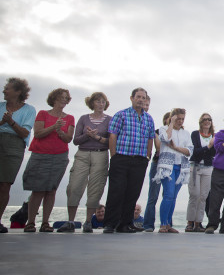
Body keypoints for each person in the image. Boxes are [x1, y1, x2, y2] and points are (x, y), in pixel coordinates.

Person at [102, 88, 155, 234]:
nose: (141, 100)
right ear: (131, 98)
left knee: (133, 193)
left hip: (139, 160)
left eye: (143, 98)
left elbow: (150, 138)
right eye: (138, 97)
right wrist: (114, 156)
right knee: (116, 191)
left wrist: (147, 156)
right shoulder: (121, 115)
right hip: (121, 158)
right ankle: (110, 224)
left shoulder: (148, 118)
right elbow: (112, 135)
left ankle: (125, 224)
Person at [22, 88, 74, 232]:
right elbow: (38, 134)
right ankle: (30, 222)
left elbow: (68, 138)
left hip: (60, 156)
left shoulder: (69, 117)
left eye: (66, 98)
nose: (64, 100)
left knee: (51, 190)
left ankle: (45, 223)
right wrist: (53, 127)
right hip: (41, 155)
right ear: (55, 98)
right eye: (62, 97)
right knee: (38, 190)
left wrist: (59, 131)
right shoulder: (43, 114)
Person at [60, 92, 111, 233]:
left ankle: (88, 221)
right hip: (83, 153)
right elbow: (76, 140)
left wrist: (97, 137)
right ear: (92, 103)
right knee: (74, 186)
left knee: (95, 189)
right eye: (98, 101)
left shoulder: (110, 120)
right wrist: (87, 135)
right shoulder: (83, 119)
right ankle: (70, 221)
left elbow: (111, 142)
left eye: (103, 102)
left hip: (100, 155)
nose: (101, 104)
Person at [0, 77, 36, 233]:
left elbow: (24, 132)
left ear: (18, 91)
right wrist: (3, 122)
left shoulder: (29, 110)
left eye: (7, 88)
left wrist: (11, 122)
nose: (4, 90)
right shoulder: (1, 106)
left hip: (14, 146)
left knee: (4, 184)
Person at [153, 108, 192, 233]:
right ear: (172, 117)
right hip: (167, 167)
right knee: (168, 194)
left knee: (173, 196)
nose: (180, 121)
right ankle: (163, 224)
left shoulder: (186, 133)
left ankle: (168, 224)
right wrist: (171, 123)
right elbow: (166, 139)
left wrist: (176, 148)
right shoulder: (163, 129)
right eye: (178, 118)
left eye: (182, 119)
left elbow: (189, 151)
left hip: (181, 167)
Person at [186, 112, 215, 232]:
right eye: (204, 120)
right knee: (194, 195)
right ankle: (190, 222)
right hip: (195, 167)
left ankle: (198, 223)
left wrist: (206, 150)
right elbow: (195, 152)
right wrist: (207, 147)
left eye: (209, 119)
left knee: (203, 196)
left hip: (208, 168)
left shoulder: (214, 136)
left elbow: (214, 153)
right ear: (200, 122)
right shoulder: (195, 134)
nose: (207, 121)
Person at [142, 110, 169, 232]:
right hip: (158, 164)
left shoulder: (180, 134)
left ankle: (167, 224)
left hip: (171, 166)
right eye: (170, 119)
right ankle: (148, 224)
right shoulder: (158, 132)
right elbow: (158, 146)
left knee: (169, 196)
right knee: (153, 196)